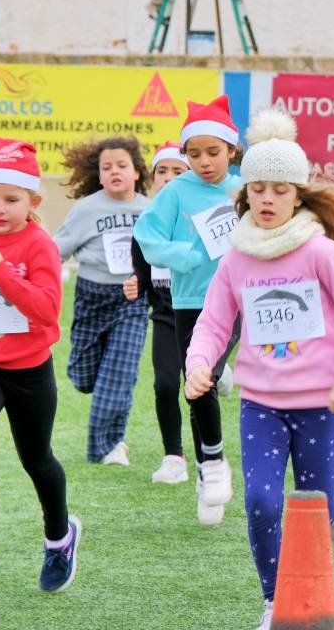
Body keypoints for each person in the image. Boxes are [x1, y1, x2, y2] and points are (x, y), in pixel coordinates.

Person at [184, 108, 334, 630]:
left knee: (319, 511)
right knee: (263, 503)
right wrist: (199, 363)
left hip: (320, 404)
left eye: (280, 190)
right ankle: (274, 600)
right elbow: (213, 322)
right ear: (245, 194)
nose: (267, 199)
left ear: (298, 196)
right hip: (261, 405)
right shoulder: (236, 259)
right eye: (258, 189)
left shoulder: (322, 254)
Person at [0, 138, 81, 592]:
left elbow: (47, 311)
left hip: (29, 371)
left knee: (36, 459)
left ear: (33, 201)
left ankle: (59, 538)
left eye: (11, 200)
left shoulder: (39, 245)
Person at [134, 95, 242, 525]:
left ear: (231, 150)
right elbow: (147, 235)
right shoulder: (176, 192)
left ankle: (212, 462)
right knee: (196, 385)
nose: (203, 162)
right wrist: (180, 255)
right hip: (190, 302)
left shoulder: (245, 188)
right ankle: (208, 468)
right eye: (193, 154)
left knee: (205, 377)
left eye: (213, 152)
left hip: (238, 300)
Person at [52, 137, 151, 465]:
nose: (114, 172)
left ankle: (109, 446)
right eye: (106, 167)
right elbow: (56, 251)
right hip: (91, 297)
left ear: (137, 172)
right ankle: (112, 434)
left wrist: (145, 279)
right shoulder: (86, 209)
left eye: (122, 165)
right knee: (83, 378)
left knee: (118, 375)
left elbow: (160, 257)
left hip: (131, 300)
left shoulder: (149, 211)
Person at [122, 142, 191, 484]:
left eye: (177, 171)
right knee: (165, 384)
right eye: (162, 171)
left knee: (199, 386)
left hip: (204, 317)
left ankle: (210, 457)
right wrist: (135, 285)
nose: (168, 177)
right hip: (165, 317)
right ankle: (173, 456)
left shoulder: (203, 220)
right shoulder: (146, 226)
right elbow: (142, 274)